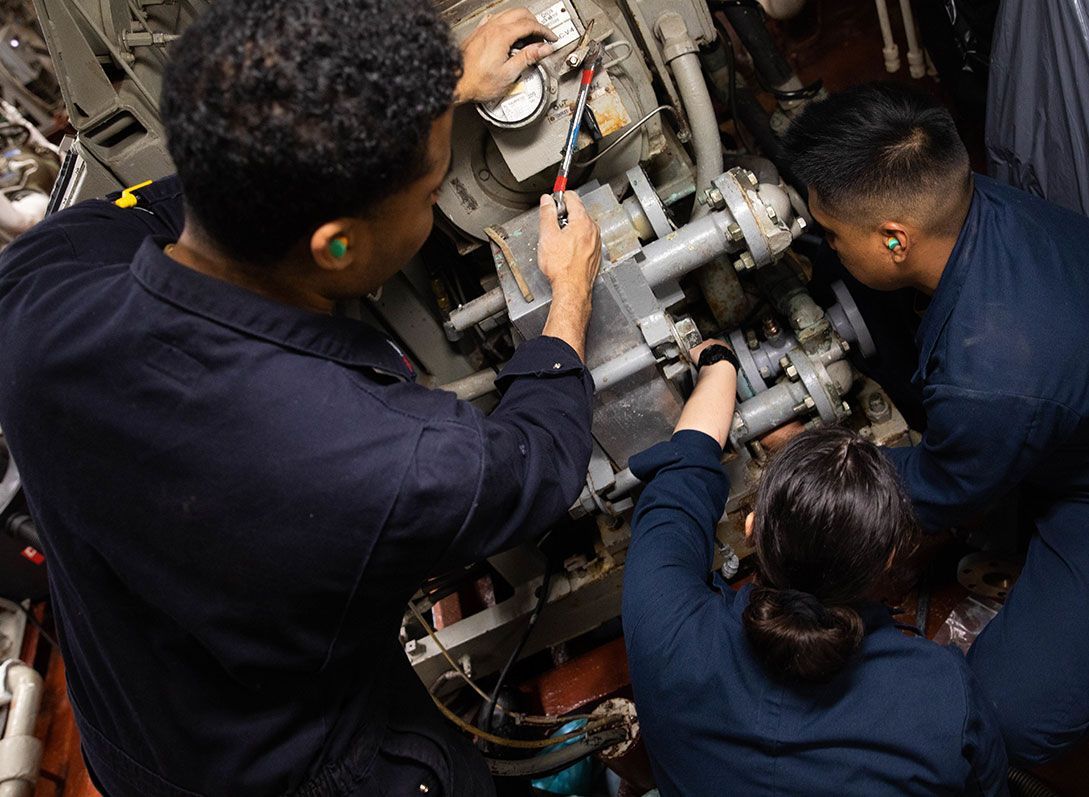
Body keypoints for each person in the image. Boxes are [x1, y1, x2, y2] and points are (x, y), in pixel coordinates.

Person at [0, 1, 603, 795]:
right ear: (335, 244)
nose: (434, 199)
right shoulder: (384, 459)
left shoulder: (35, 300)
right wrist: (568, 296)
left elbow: (191, 187)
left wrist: (428, 94)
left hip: (135, 743)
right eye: (428, 192)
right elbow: (539, 462)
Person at [782, 81, 1089, 766]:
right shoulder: (970, 198)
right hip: (1057, 393)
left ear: (895, 239)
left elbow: (935, 492)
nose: (825, 244)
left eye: (832, 235)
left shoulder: (988, 377)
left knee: (1006, 715)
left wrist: (813, 464)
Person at [622, 340, 1007, 795]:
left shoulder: (663, 628)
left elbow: (681, 472)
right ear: (888, 559)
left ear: (750, 530)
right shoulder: (941, 695)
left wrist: (719, 363)